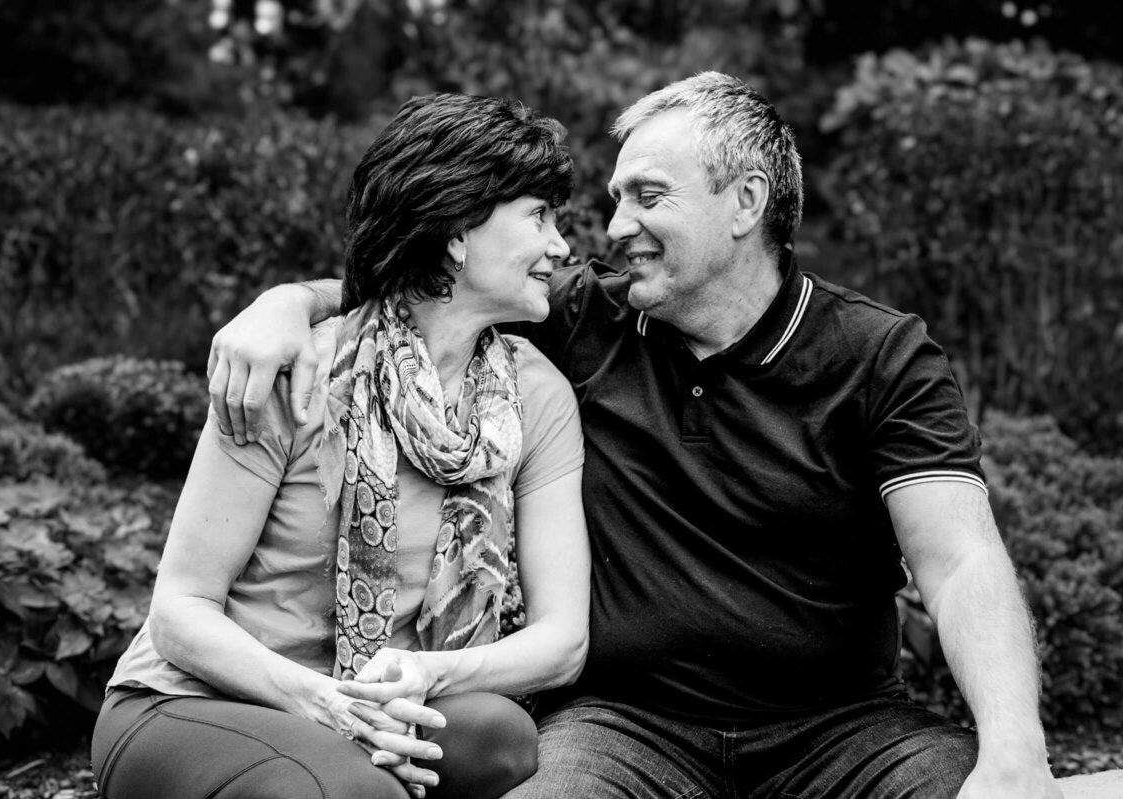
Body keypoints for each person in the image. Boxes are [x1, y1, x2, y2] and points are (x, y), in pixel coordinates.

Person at [206, 73, 1062, 798]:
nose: (613, 228)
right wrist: (292, 303)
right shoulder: (583, 317)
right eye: (617, 199)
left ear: (746, 203)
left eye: (648, 196)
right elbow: (433, 287)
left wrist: (1016, 750)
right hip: (624, 725)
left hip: (849, 730)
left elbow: (959, 562)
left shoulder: (880, 355)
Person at [92, 92, 591, 799]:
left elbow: (562, 640)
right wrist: (328, 702)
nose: (561, 245)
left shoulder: (534, 395)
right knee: (355, 789)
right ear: (455, 230)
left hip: (374, 701)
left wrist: (425, 675)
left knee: (500, 737)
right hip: (198, 701)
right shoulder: (296, 372)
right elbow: (179, 612)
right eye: (538, 216)